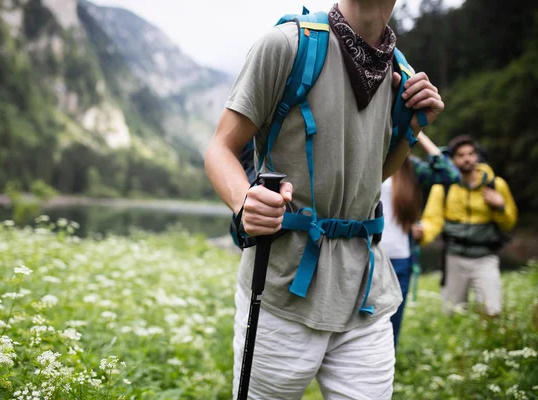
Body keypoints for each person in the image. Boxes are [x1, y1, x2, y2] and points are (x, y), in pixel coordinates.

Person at [204, 1, 444, 398]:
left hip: (366, 294)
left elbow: (367, 178)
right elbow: (220, 147)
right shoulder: (286, 45)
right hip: (280, 290)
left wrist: (412, 128)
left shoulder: (402, 75)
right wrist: (244, 201)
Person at [414, 135, 518, 317]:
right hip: (454, 257)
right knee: (451, 312)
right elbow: (433, 219)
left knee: (492, 310)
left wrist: (500, 207)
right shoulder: (443, 187)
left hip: (485, 256)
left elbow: (509, 223)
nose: (467, 158)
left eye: (471, 153)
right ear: (453, 159)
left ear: (477, 156)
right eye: (461, 155)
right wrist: (421, 235)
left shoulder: (495, 185)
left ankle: (490, 342)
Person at [380, 132, 459, 347]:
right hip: (364, 258)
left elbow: (450, 176)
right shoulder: (363, 160)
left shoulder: (408, 166)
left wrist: (418, 132)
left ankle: (387, 378)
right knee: (360, 330)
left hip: (400, 260)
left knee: (391, 330)